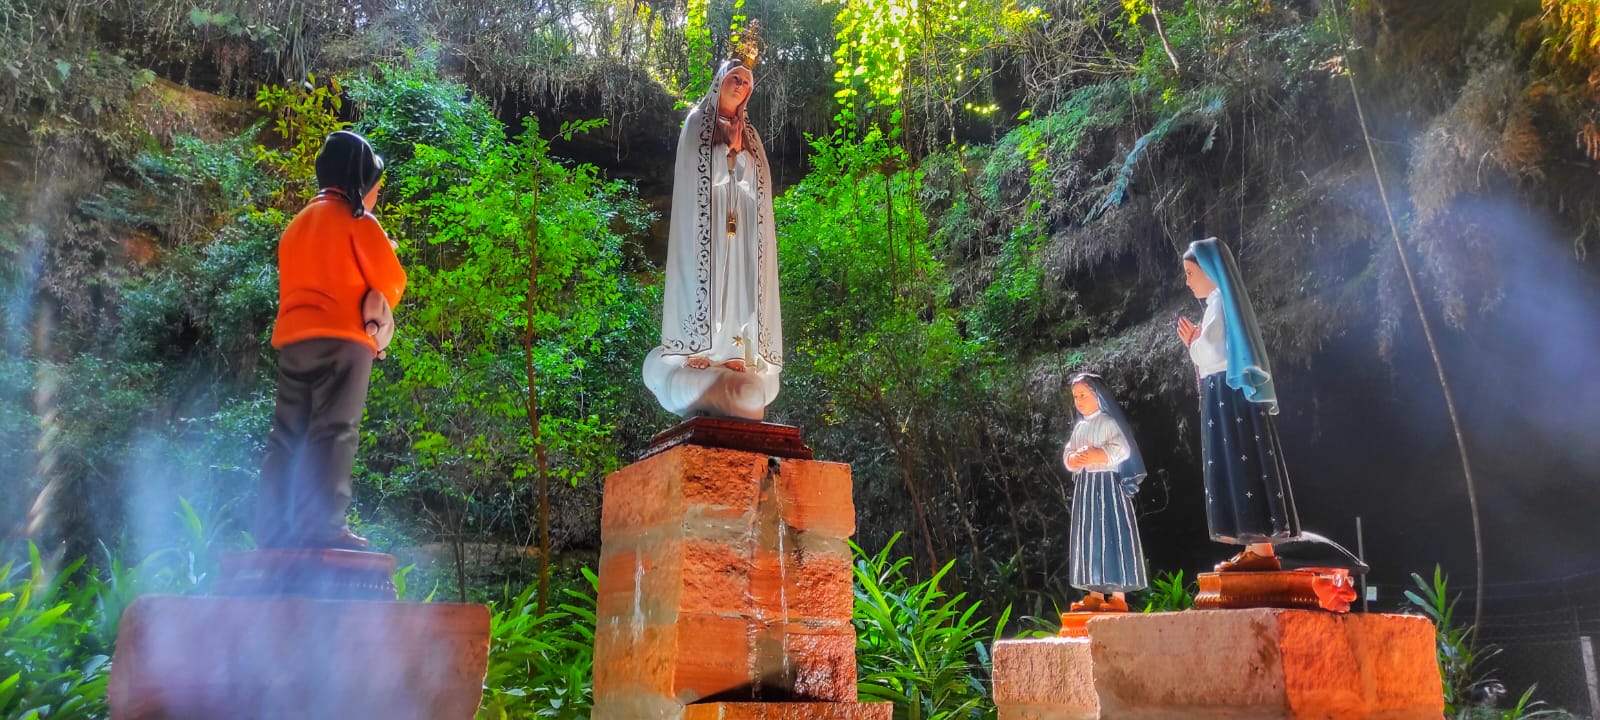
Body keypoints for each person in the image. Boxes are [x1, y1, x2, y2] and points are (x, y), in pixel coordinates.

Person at [256, 130, 405, 550]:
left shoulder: (296, 226)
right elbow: (391, 280)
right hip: (344, 339)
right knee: (335, 430)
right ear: (360, 181)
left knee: (287, 434)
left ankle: (272, 530)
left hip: (295, 340)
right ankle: (322, 530)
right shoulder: (358, 221)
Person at [642, 39, 781, 421]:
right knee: (709, 280)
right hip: (707, 224)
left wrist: (742, 159)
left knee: (737, 282)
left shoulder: (750, 135)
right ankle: (699, 349)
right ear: (720, 80)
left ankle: (735, 350)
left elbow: (760, 186)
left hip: (739, 226)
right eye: (735, 77)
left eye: (746, 82)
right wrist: (726, 155)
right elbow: (693, 177)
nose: (740, 86)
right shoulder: (695, 125)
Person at [1175, 237, 1299, 571]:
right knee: (1239, 464)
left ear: (1210, 270)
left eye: (1190, 272)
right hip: (1226, 393)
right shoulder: (1220, 304)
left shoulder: (1219, 303)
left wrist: (1193, 342)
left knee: (1239, 463)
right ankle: (1256, 548)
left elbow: (1213, 353)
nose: (1187, 281)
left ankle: (1260, 550)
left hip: (1228, 395)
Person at [1062, 373, 1148, 612]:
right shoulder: (1080, 427)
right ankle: (1096, 594)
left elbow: (1122, 448)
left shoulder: (1108, 422)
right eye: (1075, 396)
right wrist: (1073, 459)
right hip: (1086, 490)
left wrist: (1099, 455)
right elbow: (1068, 453)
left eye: (1083, 395)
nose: (1078, 400)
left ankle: (1118, 597)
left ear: (1097, 396)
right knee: (1090, 538)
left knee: (1112, 534)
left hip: (1107, 488)